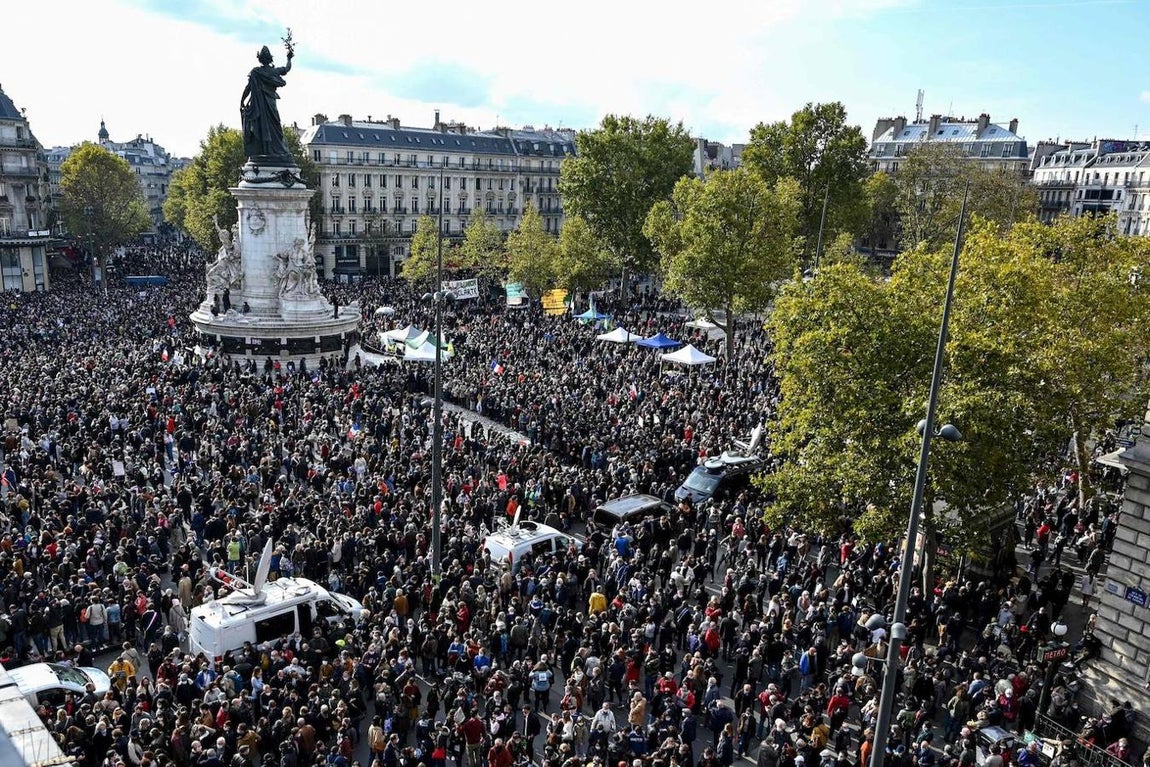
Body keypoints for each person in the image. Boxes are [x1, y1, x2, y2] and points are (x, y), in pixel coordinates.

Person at [240, 44, 293, 160]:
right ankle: (276, 150)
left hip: (259, 106)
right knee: (275, 126)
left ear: (260, 59)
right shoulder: (274, 72)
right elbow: (287, 68)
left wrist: (242, 101)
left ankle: (266, 150)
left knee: (263, 127)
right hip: (271, 104)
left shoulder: (256, 72)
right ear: (270, 59)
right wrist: (289, 58)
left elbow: (248, 88)